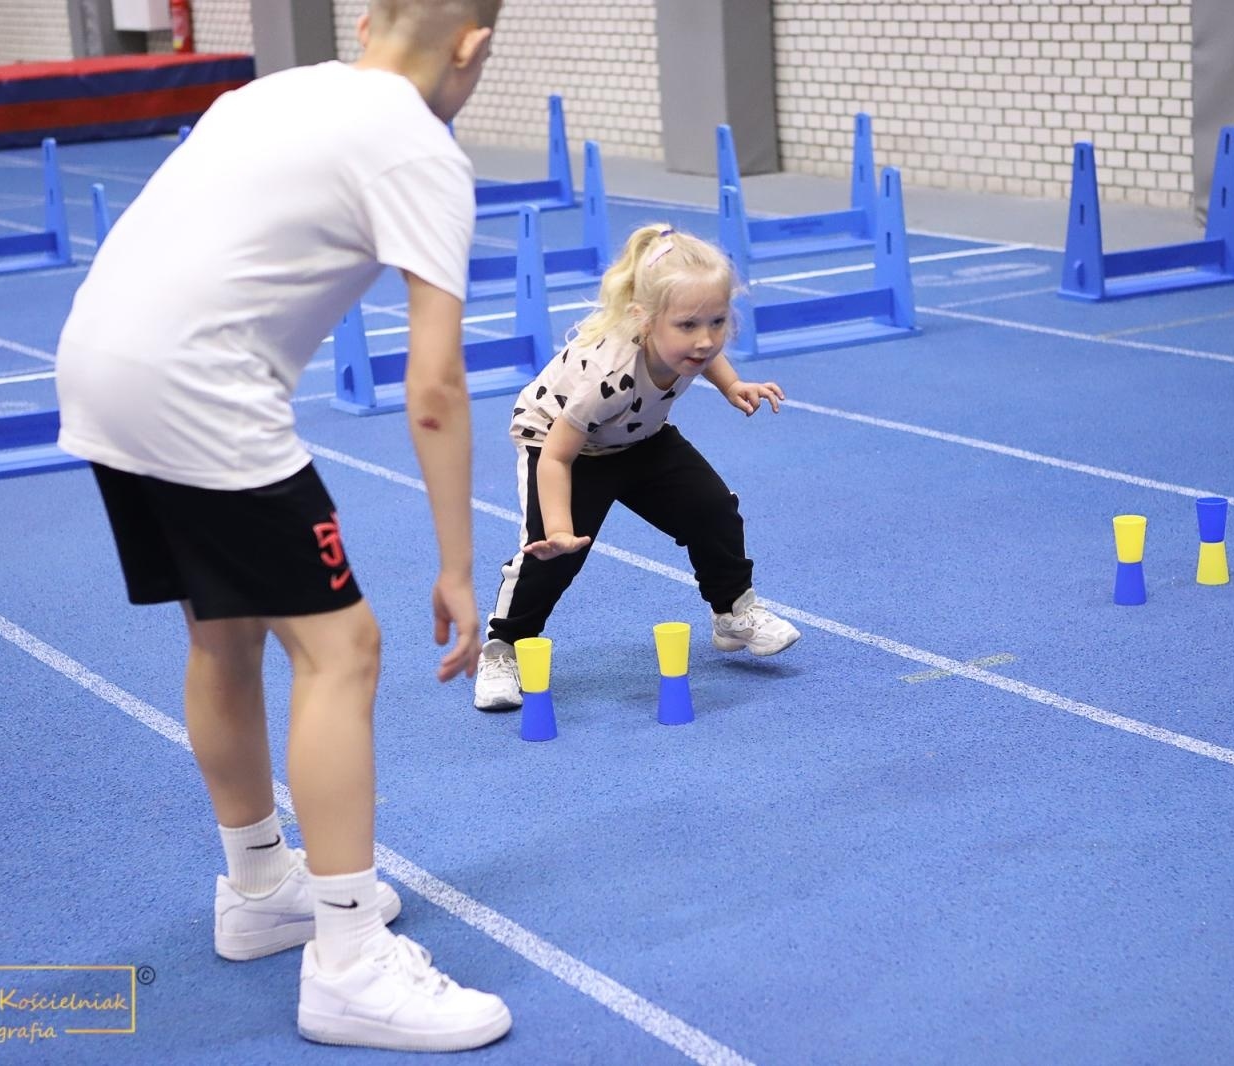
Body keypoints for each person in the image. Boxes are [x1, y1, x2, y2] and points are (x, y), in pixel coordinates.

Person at [54, 0, 511, 1052]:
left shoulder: (275, 89)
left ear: (366, 23)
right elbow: (434, 382)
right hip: (198, 389)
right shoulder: (421, 150)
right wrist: (455, 561)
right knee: (343, 648)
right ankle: (349, 962)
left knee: (225, 628)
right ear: (473, 45)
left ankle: (261, 886)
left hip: (98, 363)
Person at [473, 224, 802, 712]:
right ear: (644, 321)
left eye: (716, 321)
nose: (706, 340)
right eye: (688, 326)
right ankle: (502, 650)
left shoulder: (689, 342)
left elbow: (705, 355)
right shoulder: (608, 375)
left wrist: (732, 385)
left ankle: (733, 613)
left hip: (637, 436)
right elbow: (559, 455)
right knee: (554, 555)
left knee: (712, 509)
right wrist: (561, 528)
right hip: (563, 444)